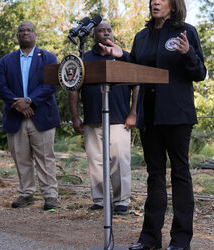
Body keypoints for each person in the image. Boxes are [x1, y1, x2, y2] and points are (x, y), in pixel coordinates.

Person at [99, 0, 207, 249]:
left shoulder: (186, 31)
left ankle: (180, 241)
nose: (156, 1)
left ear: (173, 4)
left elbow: (200, 73)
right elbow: (137, 71)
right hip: (150, 116)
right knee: (154, 176)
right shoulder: (142, 36)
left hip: (178, 115)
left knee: (180, 174)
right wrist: (122, 56)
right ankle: (149, 239)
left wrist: (188, 53)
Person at [68, 21, 139, 215]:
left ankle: (121, 201)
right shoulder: (85, 58)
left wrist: (133, 113)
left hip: (119, 119)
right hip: (92, 119)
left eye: (109, 30)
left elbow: (137, 85)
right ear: (94, 35)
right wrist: (76, 117)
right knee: (95, 161)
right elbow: (73, 89)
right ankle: (99, 200)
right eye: (101, 30)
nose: (105, 33)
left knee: (120, 161)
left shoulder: (123, 56)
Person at [0, 21, 60, 211]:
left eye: (29, 30)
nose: (25, 33)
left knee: (46, 158)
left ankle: (50, 196)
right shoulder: (7, 60)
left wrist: (29, 100)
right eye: (21, 30)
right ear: (17, 36)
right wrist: (19, 105)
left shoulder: (48, 57)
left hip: (42, 116)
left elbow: (51, 85)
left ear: (35, 34)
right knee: (21, 158)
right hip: (16, 117)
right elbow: (1, 86)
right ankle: (26, 194)